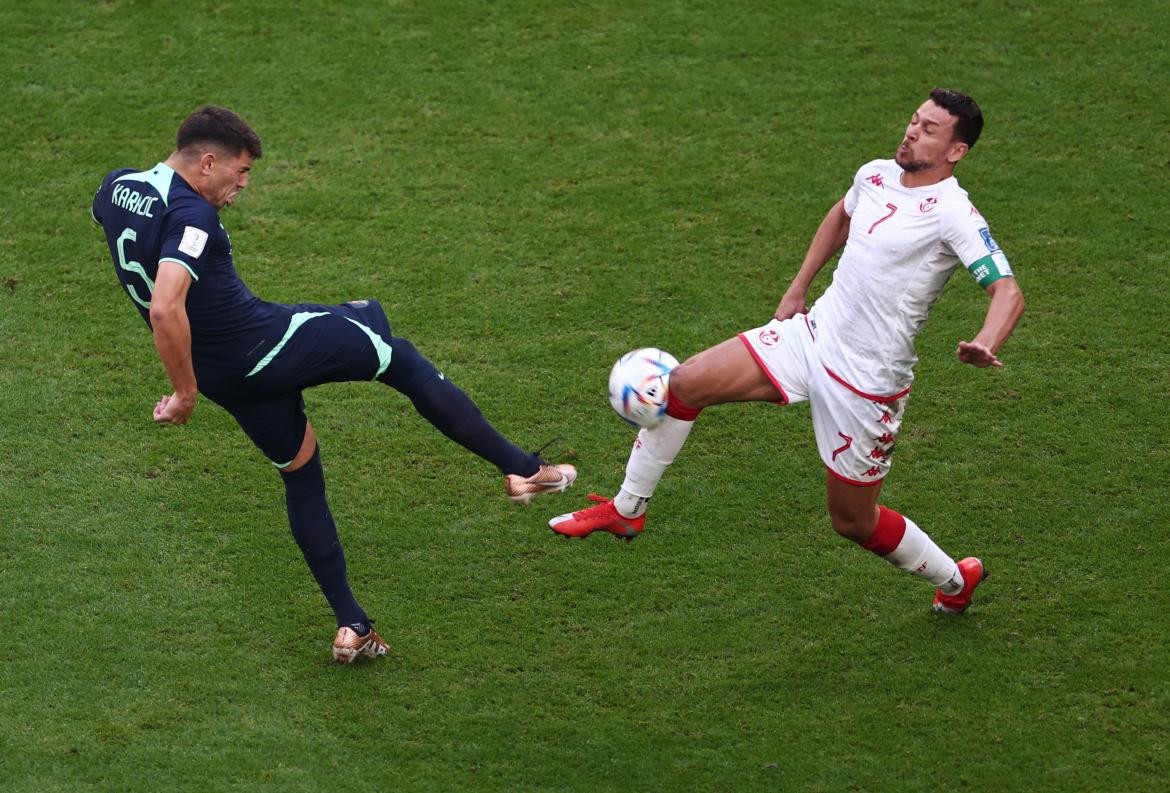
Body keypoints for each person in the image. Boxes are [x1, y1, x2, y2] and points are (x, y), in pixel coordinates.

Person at [92, 105, 576, 662]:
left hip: (226, 375)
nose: (244, 185)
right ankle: (521, 469)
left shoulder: (114, 189)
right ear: (207, 163)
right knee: (394, 349)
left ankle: (353, 625)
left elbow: (122, 234)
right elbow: (164, 306)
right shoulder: (193, 218)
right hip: (263, 345)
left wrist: (196, 378)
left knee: (302, 470)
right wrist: (182, 393)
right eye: (241, 172)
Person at [550, 89, 1024, 615]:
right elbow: (841, 216)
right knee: (683, 384)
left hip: (867, 385)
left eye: (930, 129)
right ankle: (627, 508)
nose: (912, 131)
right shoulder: (875, 174)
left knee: (852, 522)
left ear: (956, 150)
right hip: (811, 336)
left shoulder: (953, 213)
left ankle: (956, 580)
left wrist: (987, 341)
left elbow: (1008, 291)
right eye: (914, 120)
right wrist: (798, 287)